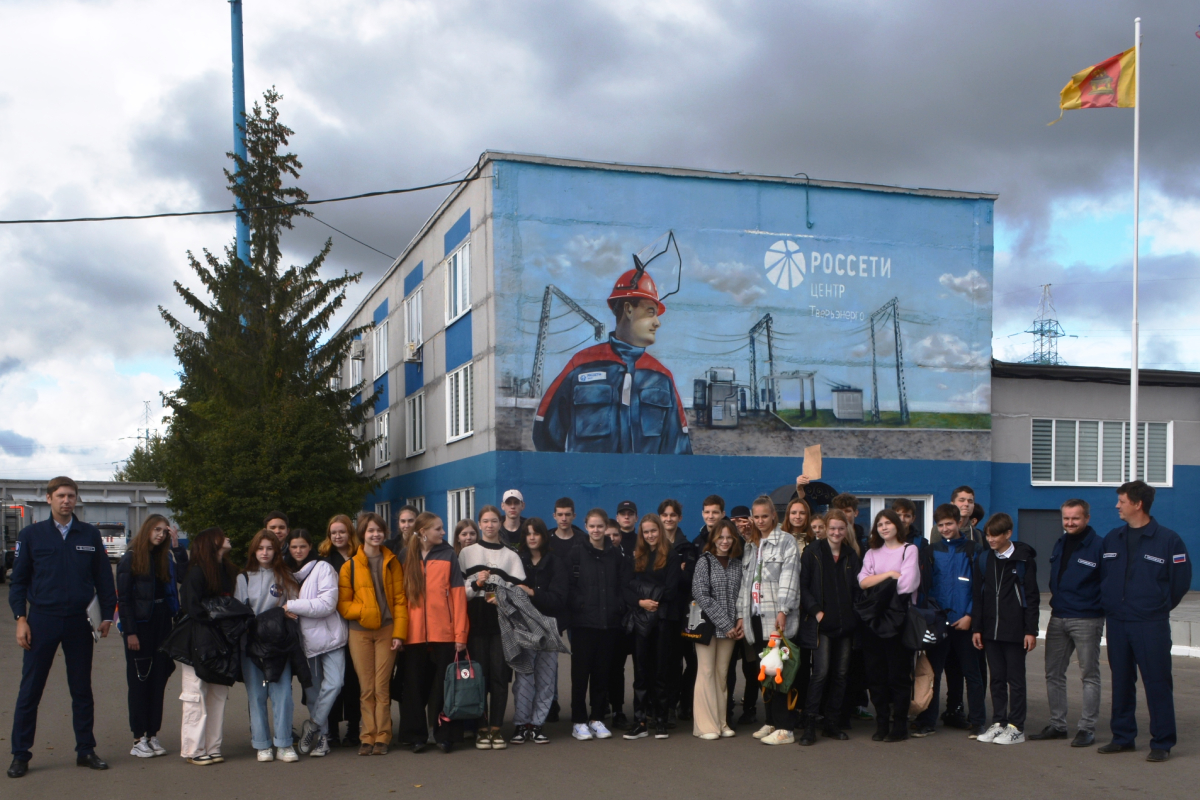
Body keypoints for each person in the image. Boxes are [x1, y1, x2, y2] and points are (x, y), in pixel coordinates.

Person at [8, 476, 117, 778]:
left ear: (76, 499)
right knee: (30, 690)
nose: (66, 501)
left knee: (81, 688)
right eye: (60, 496)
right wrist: (21, 619)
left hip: (79, 622)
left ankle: (86, 750)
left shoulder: (89, 535)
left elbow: (103, 578)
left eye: (71, 496)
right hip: (41, 620)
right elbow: (18, 582)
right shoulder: (32, 535)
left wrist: (107, 616)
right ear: (48, 499)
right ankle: (20, 754)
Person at [533, 266, 692, 454]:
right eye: (651, 312)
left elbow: (679, 450)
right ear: (628, 310)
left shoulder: (662, 377)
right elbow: (545, 433)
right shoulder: (580, 365)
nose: (657, 322)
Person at [1097, 480, 1191, 762]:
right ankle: (1123, 737)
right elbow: (1104, 575)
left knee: (1157, 682)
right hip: (1117, 622)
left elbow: (1180, 582)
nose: (1117, 506)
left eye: (1122, 501)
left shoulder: (1168, 540)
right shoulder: (1113, 538)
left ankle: (1162, 741)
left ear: (1138, 504)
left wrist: (1156, 607)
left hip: (1150, 624)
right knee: (1122, 681)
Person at [1028, 499, 1104, 747]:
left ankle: (1087, 728)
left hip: (1087, 618)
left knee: (1089, 675)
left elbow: (1107, 583)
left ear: (1087, 518)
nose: (1070, 522)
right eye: (1066, 518)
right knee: (1053, 673)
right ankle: (1058, 725)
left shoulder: (1099, 547)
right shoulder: (1060, 543)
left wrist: (1095, 606)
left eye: (1075, 518)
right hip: (1058, 616)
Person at [911, 504, 985, 738]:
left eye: (949, 524)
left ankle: (978, 722)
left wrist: (971, 616)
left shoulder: (974, 549)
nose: (945, 528)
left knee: (971, 673)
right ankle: (927, 721)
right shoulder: (932, 551)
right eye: (941, 525)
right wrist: (930, 618)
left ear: (960, 523)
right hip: (939, 623)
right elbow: (926, 588)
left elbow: (979, 587)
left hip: (964, 622)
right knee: (933, 673)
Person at [338, 513, 408, 756]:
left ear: (384, 533)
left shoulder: (393, 562)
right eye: (370, 531)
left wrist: (400, 633)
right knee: (366, 688)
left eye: (379, 530)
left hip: (387, 631)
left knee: (382, 687)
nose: (375, 534)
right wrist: (366, 611)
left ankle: (383, 737)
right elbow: (343, 605)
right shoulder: (350, 566)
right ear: (363, 534)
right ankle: (367, 736)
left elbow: (400, 601)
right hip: (359, 633)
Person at [116, 515, 186, 758]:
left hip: (162, 623)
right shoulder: (131, 557)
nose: (160, 535)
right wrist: (130, 632)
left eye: (164, 532)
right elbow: (123, 599)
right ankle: (138, 739)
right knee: (139, 681)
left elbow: (184, 578)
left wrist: (177, 546)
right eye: (156, 530)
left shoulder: (165, 557)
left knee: (159, 679)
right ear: (146, 530)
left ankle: (152, 734)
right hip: (140, 626)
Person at [459, 505, 527, 750]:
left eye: (493, 521)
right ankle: (480, 729)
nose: (489, 525)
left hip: (501, 625)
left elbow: (520, 593)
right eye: (485, 521)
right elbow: (459, 595)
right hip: (475, 624)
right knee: (479, 677)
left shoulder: (510, 555)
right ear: (479, 524)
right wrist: (477, 584)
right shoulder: (467, 554)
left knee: (499, 677)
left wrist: (504, 596)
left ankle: (496, 729)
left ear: (500, 523)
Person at [400, 512, 468, 753]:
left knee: (444, 688)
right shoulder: (405, 557)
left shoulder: (449, 555)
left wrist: (460, 634)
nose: (443, 532)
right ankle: (415, 736)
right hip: (412, 635)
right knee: (414, 689)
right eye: (438, 529)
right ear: (423, 532)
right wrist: (398, 633)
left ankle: (444, 735)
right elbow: (399, 600)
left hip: (445, 635)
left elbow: (459, 598)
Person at [737, 495, 802, 746]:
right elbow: (746, 583)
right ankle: (772, 721)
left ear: (774, 516)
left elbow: (789, 578)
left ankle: (786, 727)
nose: (761, 521)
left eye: (765, 516)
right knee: (764, 673)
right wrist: (741, 615)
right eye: (757, 516)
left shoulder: (786, 542)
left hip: (776, 619)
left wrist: (784, 609)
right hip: (754, 617)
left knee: (780, 673)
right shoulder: (752, 544)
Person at [971, 513, 1039, 746]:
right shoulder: (983, 559)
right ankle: (999, 722)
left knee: (1016, 680)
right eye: (988, 535)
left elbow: (1032, 597)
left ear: (1008, 534)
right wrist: (977, 628)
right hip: (990, 630)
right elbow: (978, 596)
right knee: (997, 679)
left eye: (994, 535)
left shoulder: (1024, 560)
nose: (989, 539)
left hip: (1015, 631)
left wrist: (1031, 630)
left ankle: (1016, 727)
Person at [175, 527, 239, 766]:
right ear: (211, 543)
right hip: (198, 640)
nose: (228, 537)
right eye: (222, 535)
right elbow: (190, 606)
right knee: (195, 692)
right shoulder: (197, 573)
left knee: (218, 693)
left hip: (222, 640)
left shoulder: (229, 571)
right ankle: (193, 748)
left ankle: (212, 746)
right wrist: (218, 615)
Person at [796, 509, 861, 746]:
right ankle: (810, 723)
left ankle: (831, 723)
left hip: (845, 625)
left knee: (841, 674)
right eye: (832, 528)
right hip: (821, 625)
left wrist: (853, 616)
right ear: (824, 527)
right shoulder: (812, 552)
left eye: (840, 529)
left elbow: (857, 589)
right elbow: (802, 587)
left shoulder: (851, 555)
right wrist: (817, 612)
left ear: (846, 530)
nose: (836, 532)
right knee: (821, 673)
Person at [236, 530, 302, 762]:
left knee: (282, 694)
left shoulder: (285, 577)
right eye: (260, 548)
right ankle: (262, 744)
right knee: (256, 695)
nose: (265, 552)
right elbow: (241, 613)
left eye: (269, 548)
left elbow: (294, 609)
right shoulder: (243, 578)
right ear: (254, 550)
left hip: (278, 646)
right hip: (251, 646)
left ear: (277, 551)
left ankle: (284, 743)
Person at [857, 509, 920, 743]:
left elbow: (908, 583)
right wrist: (890, 575)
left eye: (888, 523)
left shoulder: (909, 550)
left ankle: (900, 725)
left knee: (899, 676)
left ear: (897, 526)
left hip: (898, 620)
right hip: (873, 621)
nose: (884, 527)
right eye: (880, 524)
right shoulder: (872, 553)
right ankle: (881, 722)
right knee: (876, 675)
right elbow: (862, 581)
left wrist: (879, 585)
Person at [569, 508, 631, 741]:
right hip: (583, 624)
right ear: (586, 526)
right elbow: (570, 587)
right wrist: (581, 605)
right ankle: (578, 721)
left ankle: (596, 719)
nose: (596, 530)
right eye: (592, 526)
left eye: (600, 526)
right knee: (580, 674)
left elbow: (623, 586)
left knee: (602, 674)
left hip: (608, 624)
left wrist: (617, 607)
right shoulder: (576, 554)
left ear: (607, 528)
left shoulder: (615, 555)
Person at [285, 531, 348, 758]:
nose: (298, 551)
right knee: (313, 693)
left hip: (331, 638)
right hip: (304, 642)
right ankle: (322, 739)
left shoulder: (323, 568)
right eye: (294, 547)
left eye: (302, 546)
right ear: (289, 548)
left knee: (335, 684)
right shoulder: (285, 572)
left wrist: (291, 604)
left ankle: (312, 725)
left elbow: (327, 604)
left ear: (310, 546)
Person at [624, 513, 680, 740]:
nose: (650, 535)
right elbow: (626, 588)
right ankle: (640, 720)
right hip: (640, 621)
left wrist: (648, 597)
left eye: (653, 531)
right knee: (640, 671)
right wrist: (641, 602)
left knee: (660, 671)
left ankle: (660, 720)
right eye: (646, 532)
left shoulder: (672, 556)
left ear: (660, 530)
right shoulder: (637, 556)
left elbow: (671, 590)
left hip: (663, 620)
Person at [512, 518, 567, 744]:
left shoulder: (556, 562)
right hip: (524, 628)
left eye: (536, 533)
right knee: (523, 678)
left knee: (546, 678)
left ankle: (537, 724)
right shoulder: (519, 562)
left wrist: (533, 593)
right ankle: (520, 724)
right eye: (528, 534)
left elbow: (559, 599)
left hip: (548, 628)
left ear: (544, 536)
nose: (532, 537)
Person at [690, 519, 743, 740]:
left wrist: (738, 620)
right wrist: (726, 623)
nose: (724, 541)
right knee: (706, 673)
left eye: (728, 537)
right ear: (713, 539)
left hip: (731, 629)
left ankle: (721, 723)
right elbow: (701, 595)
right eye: (720, 537)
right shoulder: (705, 561)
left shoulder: (738, 564)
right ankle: (704, 726)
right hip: (709, 627)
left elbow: (742, 595)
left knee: (722, 675)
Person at [319, 515, 361, 747]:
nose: (337, 536)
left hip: (356, 625)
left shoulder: (361, 556)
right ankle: (332, 730)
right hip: (332, 627)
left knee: (354, 680)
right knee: (334, 680)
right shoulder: (324, 560)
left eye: (341, 532)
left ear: (350, 533)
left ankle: (354, 729)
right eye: (333, 532)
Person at [660, 498, 697, 724]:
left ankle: (686, 702)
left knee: (692, 663)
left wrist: (676, 572)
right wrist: (676, 570)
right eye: (665, 515)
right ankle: (671, 706)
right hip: (666, 614)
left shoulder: (688, 547)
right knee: (671, 663)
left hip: (686, 614)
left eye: (673, 515)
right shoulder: (655, 545)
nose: (669, 518)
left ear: (679, 518)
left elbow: (688, 580)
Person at [607, 502, 638, 728]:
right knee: (614, 668)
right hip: (611, 620)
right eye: (622, 514)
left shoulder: (640, 544)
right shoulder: (598, 555)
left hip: (634, 617)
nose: (612, 538)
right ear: (617, 517)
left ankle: (641, 710)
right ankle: (616, 709)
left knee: (640, 665)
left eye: (630, 514)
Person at [549, 497, 586, 562]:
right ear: (554, 516)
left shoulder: (584, 540)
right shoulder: (546, 539)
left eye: (567, 514)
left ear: (574, 516)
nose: (564, 519)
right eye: (560, 515)